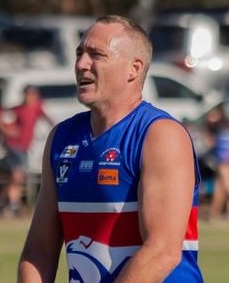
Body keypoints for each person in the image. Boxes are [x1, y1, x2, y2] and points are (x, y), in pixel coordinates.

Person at [17, 15, 204, 282]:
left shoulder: (160, 135)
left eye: (96, 54)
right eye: (80, 53)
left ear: (134, 68)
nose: (81, 64)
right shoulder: (62, 138)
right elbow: (39, 250)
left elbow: (161, 252)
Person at [0, 85, 54, 217]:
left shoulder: (37, 108)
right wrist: (5, 130)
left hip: (25, 147)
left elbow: (47, 119)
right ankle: (15, 206)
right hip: (13, 145)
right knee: (17, 175)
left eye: (33, 95)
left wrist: (58, 129)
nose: (31, 97)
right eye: (28, 94)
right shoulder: (18, 109)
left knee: (15, 178)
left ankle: (0, 200)